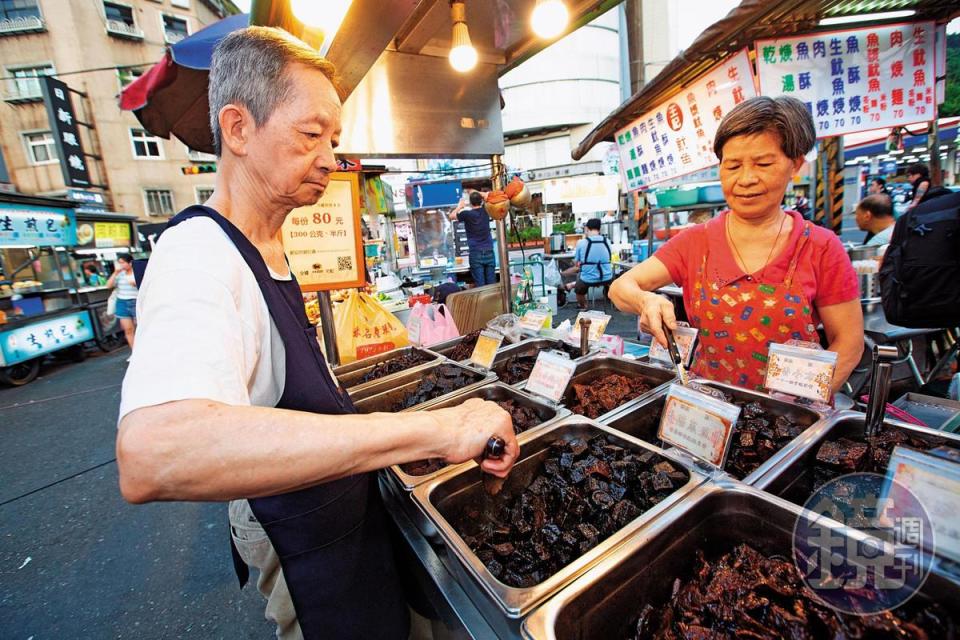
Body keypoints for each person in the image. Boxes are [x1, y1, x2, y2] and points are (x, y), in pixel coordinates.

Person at [115, 27, 518, 640]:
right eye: (311, 135)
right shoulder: (199, 251)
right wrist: (437, 427)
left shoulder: (266, 244)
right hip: (302, 540)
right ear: (239, 127)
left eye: (333, 139)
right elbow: (154, 451)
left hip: (336, 519)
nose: (331, 158)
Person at [610, 96, 863, 393]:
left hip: (793, 418)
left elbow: (849, 343)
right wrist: (647, 300)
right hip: (708, 409)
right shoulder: (695, 241)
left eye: (763, 163)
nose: (746, 179)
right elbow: (621, 288)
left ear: (795, 165)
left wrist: (800, 406)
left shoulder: (820, 247)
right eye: (732, 166)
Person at [448, 191, 496, 286]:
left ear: (470, 203)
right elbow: (490, 196)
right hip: (489, 251)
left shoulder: (467, 214)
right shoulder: (486, 210)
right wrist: (480, 194)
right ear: (481, 201)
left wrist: (459, 206)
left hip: (475, 253)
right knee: (492, 285)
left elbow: (451, 216)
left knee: (480, 286)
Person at [569, 218, 613, 310]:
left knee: (579, 289)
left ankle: (583, 306)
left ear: (587, 228)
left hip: (587, 279)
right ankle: (610, 304)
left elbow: (576, 262)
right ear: (599, 229)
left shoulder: (581, 243)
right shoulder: (607, 241)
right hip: (607, 277)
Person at [107, 252, 138, 352]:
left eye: (123, 262)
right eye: (119, 263)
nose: (121, 265)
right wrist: (115, 273)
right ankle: (135, 353)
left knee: (141, 328)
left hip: (136, 301)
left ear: (130, 263)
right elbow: (108, 285)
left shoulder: (137, 272)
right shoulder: (119, 274)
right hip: (122, 303)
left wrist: (136, 284)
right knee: (128, 329)